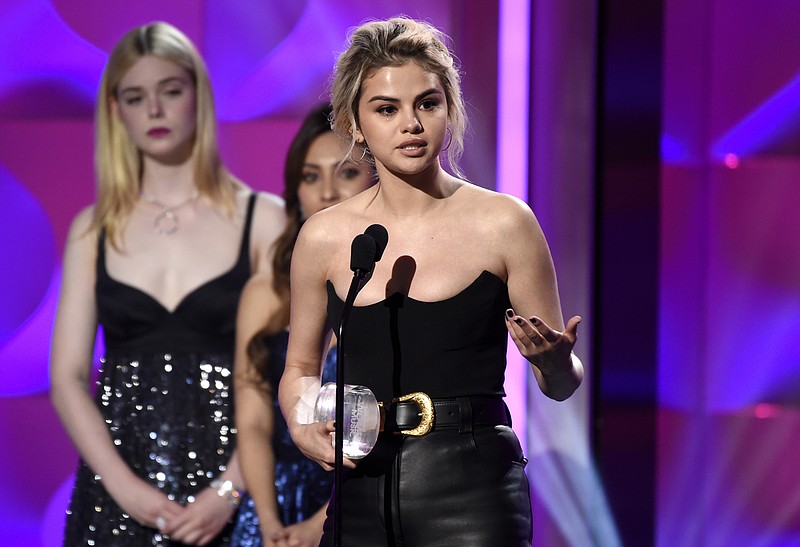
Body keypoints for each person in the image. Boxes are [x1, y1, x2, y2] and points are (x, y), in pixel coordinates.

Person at [278, 16, 584, 546]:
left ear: (449, 108)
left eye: (427, 103)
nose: (411, 124)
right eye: (387, 109)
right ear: (355, 124)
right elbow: (302, 368)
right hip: (360, 489)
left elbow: (559, 385)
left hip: (474, 492)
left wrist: (555, 362)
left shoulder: (505, 223)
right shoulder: (324, 237)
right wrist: (303, 423)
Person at [49, 22, 286, 546]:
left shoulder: (263, 219)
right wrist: (121, 486)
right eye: (135, 97)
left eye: (170, 91)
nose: (154, 110)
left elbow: (289, 370)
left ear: (197, 95)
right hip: (117, 500)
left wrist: (230, 488)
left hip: (239, 494)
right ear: (116, 111)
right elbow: (66, 378)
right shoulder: (93, 229)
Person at [230, 103, 375, 547]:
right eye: (311, 177)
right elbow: (252, 423)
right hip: (271, 509)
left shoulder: (401, 283)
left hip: (361, 499)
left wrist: (318, 526)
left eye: (346, 172)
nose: (327, 191)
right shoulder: (265, 291)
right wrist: (270, 525)